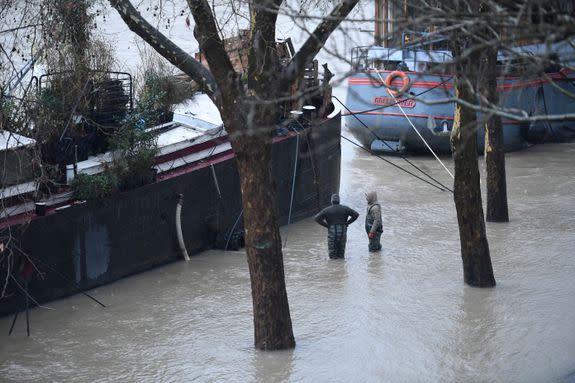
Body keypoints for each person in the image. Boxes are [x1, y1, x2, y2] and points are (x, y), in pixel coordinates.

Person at [314, 194, 359, 259]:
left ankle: (334, 268)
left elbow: (316, 218)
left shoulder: (327, 210)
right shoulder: (345, 208)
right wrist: (347, 223)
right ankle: (341, 267)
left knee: (332, 255)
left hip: (332, 234)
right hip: (342, 234)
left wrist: (326, 225)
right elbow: (356, 214)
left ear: (331, 201)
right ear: (339, 201)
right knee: (341, 254)